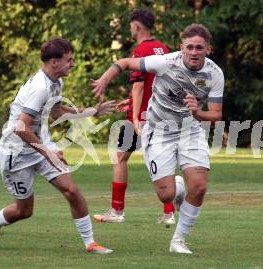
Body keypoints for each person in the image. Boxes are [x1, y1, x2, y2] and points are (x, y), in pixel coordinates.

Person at [91, 24, 224, 254]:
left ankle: (179, 240)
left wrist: (197, 113)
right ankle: (178, 187)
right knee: (166, 194)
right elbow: (124, 63)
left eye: (199, 48)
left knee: (200, 187)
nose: (194, 52)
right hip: (159, 132)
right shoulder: (165, 62)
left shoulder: (215, 73)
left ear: (208, 49)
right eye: (189, 47)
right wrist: (104, 79)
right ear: (181, 48)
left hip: (190, 130)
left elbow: (216, 115)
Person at [0, 37, 115, 254]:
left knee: (72, 191)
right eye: (69, 60)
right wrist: (49, 152)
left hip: (40, 147)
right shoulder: (40, 88)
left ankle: (90, 243)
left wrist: (92, 112)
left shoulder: (56, 82)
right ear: (54, 62)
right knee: (25, 211)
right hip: (17, 153)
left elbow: (57, 112)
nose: (72, 63)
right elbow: (21, 127)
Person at [93, 9, 178, 225]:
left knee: (120, 158)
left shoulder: (141, 50)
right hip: (162, 113)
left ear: (136, 26)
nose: (130, 29)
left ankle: (117, 212)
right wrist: (130, 101)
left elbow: (139, 86)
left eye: (131, 26)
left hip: (142, 117)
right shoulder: (163, 48)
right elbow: (156, 85)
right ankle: (169, 214)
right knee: (160, 160)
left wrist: (136, 115)